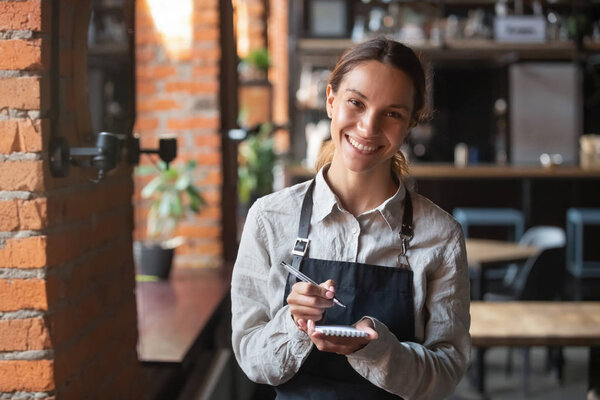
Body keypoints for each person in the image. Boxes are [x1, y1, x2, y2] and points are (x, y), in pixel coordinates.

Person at [231, 38, 471, 400]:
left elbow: (445, 373)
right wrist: (295, 323)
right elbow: (252, 360)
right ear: (331, 100)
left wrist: (375, 349)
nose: (368, 127)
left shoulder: (441, 236)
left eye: (392, 113)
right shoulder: (269, 219)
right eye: (356, 102)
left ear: (410, 123)